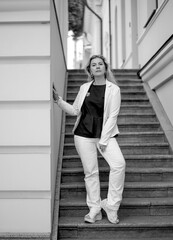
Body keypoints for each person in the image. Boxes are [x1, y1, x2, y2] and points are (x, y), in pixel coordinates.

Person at [53, 55, 126, 224]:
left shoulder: (114, 89)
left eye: (100, 64)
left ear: (105, 68)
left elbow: (113, 117)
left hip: (105, 135)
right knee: (90, 172)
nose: (97, 66)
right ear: (90, 70)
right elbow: (75, 110)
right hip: (83, 134)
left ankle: (111, 206)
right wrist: (58, 100)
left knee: (119, 164)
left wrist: (103, 139)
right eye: (94, 65)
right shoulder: (84, 87)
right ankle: (94, 208)